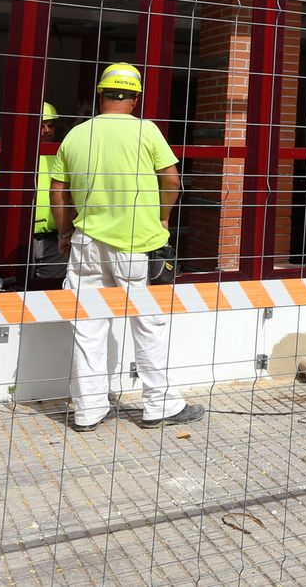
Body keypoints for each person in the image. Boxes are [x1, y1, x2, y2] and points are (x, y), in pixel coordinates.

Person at [50, 63, 203, 433]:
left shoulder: (76, 135)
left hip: (86, 242)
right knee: (147, 323)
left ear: (101, 95)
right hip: (136, 243)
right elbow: (171, 181)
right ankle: (159, 405)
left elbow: (58, 190)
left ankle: (88, 410)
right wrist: (163, 219)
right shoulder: (146, 132)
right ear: (135, 99)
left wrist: (65, 231)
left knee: (87, 324)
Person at [0, 102, 65, 285]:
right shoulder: (20, 155)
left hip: (55, 239)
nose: (46, 130)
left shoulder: (62, 154)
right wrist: (10, 224)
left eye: (50, 125)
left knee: (51, 290)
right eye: (41, 125)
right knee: (14, 289)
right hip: (20, 238)